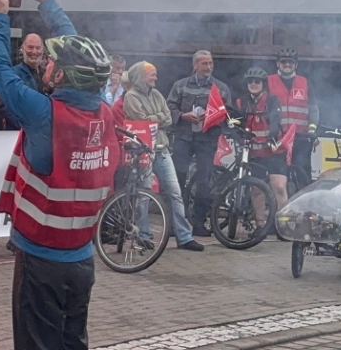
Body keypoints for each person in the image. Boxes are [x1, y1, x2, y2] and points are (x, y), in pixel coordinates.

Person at [0, 0, 111, 350]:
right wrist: (46, 1)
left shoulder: (45, 115)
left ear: (66, 76)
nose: (49, 68)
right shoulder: (104, 112)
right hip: (80, 258)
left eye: (55, 66)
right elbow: (78, 52)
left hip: (41, 260)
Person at [119, 62, 202, 251]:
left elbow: (169, 119)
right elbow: (144, 121)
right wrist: (157, 118)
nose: (156, 78)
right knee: (145, 194)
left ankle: (184, 237)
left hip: (162, 149)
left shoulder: (156, 94)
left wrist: (153, 118)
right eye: (152, 75)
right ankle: (143, 236)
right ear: (141, 76)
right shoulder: (130, 97)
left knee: (175, 193)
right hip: (142, 151)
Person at [164, 50, 231, 237]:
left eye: (210, 63)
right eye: (204, 64)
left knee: (203, 182)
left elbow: (228, 112)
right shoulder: (180, 86)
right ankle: (175, 224)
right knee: (178, 180)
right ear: (195, 65)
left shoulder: (221, 88)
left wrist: (212, 116)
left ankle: (199, 224)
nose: (208, 67)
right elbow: (168, 107)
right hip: (184, 138)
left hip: (207, 140)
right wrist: (183, 116)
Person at [231, 68, 289, 223]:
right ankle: (260, 225)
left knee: (279, 187)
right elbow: (236, 122)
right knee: (256, 190)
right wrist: (237, 135)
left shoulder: (272, 100)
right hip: (255, 154)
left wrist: (271, 137)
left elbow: (275, 121)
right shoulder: (241, 102)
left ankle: (283, 225)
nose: (253, 84)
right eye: (250, 81)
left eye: (257, 81)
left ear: (263, 83)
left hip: (274, 151)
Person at [267, 47, 319, 186]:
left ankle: (304, 206)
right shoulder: (268, 82)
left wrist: (312, 129)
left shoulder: (305, 83)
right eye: (284, 62)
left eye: (290, 62)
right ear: (278, 64)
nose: (287, 65)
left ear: (296, 65)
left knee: (303, 175)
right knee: (279, 176)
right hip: (278, 139)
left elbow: (313, 109)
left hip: (300, 138)